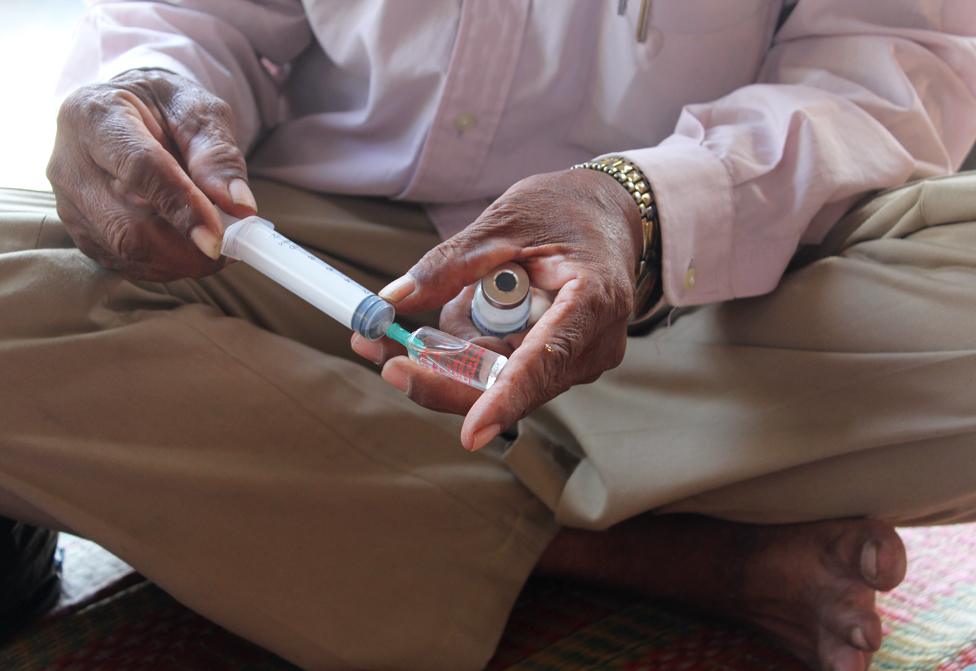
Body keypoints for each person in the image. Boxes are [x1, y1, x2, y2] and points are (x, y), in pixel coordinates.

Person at [2, 1, 975, 669]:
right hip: (307, 244)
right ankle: (638, 546)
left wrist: (641, 206)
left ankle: (322, 471)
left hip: (700, 290)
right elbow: (197, 19)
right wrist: (144, 92)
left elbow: (895, 59)